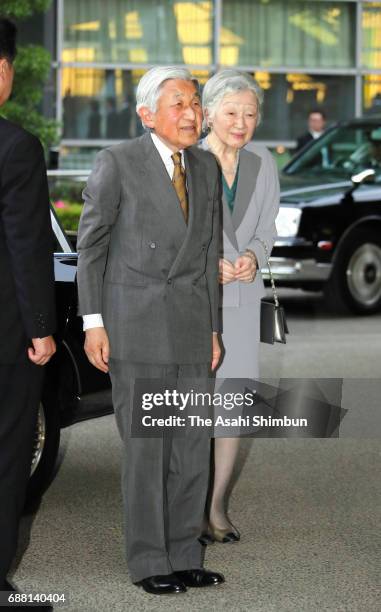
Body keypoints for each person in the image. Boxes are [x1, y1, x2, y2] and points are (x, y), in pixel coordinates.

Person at [76, 66, 224, 596]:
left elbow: (207, 255)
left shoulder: (205, 167)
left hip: (189, 326)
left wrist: (212, 328)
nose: (192, 114)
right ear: (147, 115)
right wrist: (93, 322)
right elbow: (90, 248)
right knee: (146, 450)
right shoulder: (117, 163)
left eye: (195, 102)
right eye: (179, 104)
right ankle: (148, 560)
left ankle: (186, 553)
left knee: (190, 447)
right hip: (133, 326)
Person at [200, 69, 280, 543]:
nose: (241, 122)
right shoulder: (187, 158)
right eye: (231, 112)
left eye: (249, 114)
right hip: (195, 301)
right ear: (208, 113)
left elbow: (267, 227)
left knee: (232, 407)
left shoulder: (263, 160)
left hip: (244, 300)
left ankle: (216, 505)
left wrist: (254, 256)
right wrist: (209, 262)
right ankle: (188, 502)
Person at [0, 17, 56, 609]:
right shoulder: (14, 147)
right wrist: (42, 329)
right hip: (4, 336)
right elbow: (26, 247)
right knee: (6, 450)